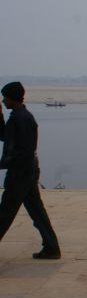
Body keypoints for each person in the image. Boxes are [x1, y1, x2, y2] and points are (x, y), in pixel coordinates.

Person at [0, 82, 61, 259]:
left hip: (21, 174)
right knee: (36, 211)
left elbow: (23, 151)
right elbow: (6, 136)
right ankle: (51, 248)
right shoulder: (19, 117)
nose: (3, 101)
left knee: (5, 213)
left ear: (12, 98)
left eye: (5, 97)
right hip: (27, 171)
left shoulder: (21, 118)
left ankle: (52, 247)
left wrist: (5, 164)